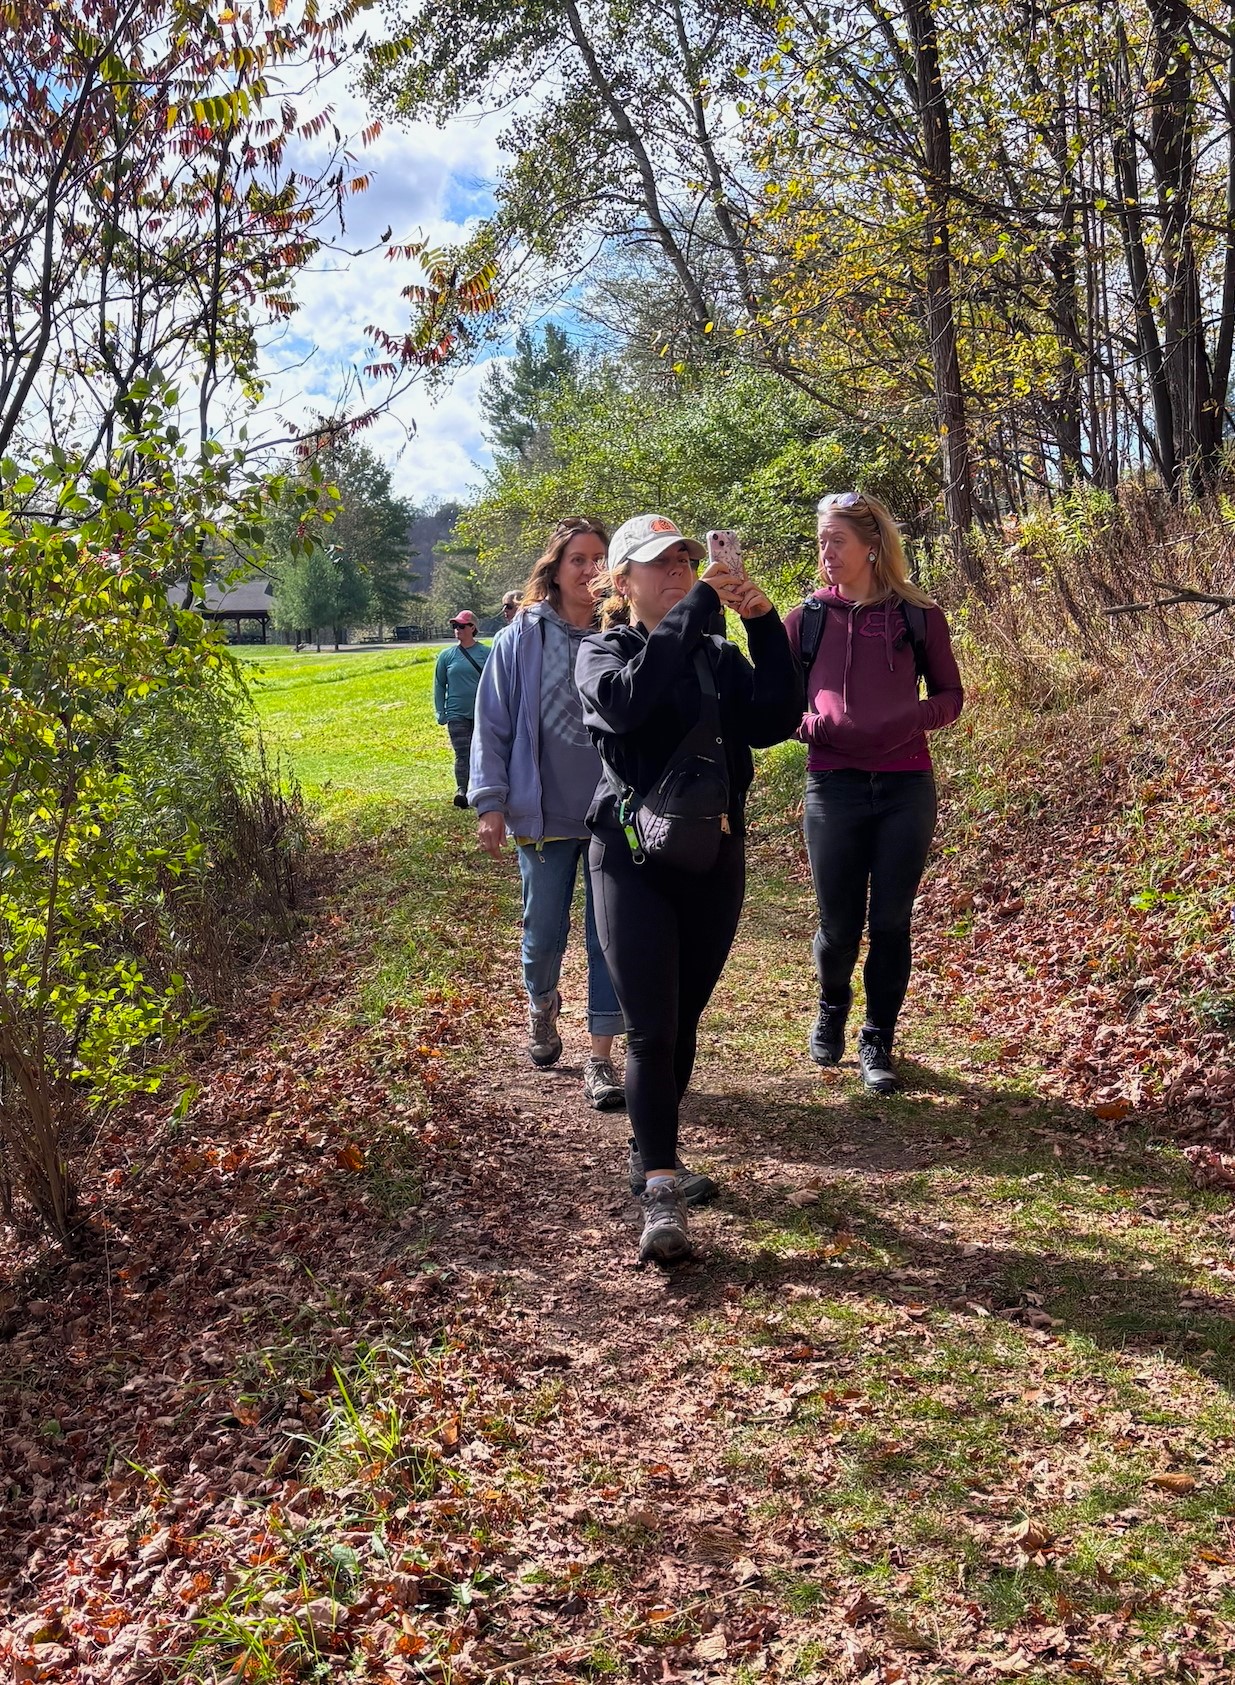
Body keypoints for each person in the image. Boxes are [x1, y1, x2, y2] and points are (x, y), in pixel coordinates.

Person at [577, 514, 801, 1264]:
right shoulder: (599, 651)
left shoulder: (712, 651)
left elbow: (773, 717)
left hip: (713, 854)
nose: (675, 571)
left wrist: (763, 623)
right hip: (630, 858)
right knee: (650, 1029)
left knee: (683, 1018)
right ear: (620, 582)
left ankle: (654, 1151)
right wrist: (700, 605)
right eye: (657, 564)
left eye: (683, 560)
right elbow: (632, 703)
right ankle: (660, 1188)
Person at [785, 491, 963, 1096]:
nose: (826, 553)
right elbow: (778, 703)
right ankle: (833, 1003)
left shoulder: (918, 616)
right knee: (839, 927)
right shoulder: (805, 618)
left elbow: (950, 696)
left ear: (871, 546)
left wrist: (909, 719)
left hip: (905, 785)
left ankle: (877, 1036)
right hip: (831, 786)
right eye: (821, 541)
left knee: (890, 922)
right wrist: (811, 726)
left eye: (837, 541)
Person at [469, 518, 627, 1110]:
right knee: (543, 931)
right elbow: (493, 720)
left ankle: (601, 1059)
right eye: (579, 559)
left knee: (609, 936)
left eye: (600, 558)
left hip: (613, 813)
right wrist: (491, 802)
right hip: (542, 814)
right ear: (555, 569)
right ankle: (541, 1004)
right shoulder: (521, 637)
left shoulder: (624, 629)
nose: (591, 570)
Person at [434, 610, 490, 809]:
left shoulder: (486, 653)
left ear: (472, 628)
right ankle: (462, 790)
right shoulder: (446, 656)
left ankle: (481, 789)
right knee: (462, 753)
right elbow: (440, 684)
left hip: (482, 713)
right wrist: (440, 711)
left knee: (481, 753)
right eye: (455, 626)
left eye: (461, 626)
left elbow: (496, 681)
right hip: (456, 713)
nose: (457, 630)